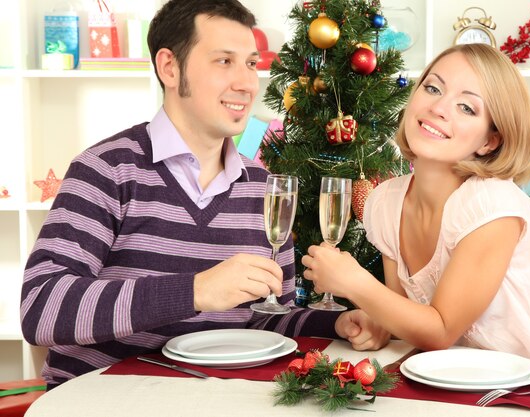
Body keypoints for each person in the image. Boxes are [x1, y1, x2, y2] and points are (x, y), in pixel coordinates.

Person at [20, 0, 385, 390]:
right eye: (224, 61)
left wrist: (336, 322)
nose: (247, 83)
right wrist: (194, 290)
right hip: (105, 400)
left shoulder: (264, 185)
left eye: (250, 63)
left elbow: (267, 317)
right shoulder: (108, 169)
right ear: (169, 67)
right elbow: (41, 309)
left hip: (215, 400)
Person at [302, 43, 530, 416]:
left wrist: (354, 283)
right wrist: (380, 322)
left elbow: (439, 332)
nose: (438, 108)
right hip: (484, 391)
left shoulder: (492, 205)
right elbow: (410, 318)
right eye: (433, 88)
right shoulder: (386, 202)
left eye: (467, 107)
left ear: (490, 140)